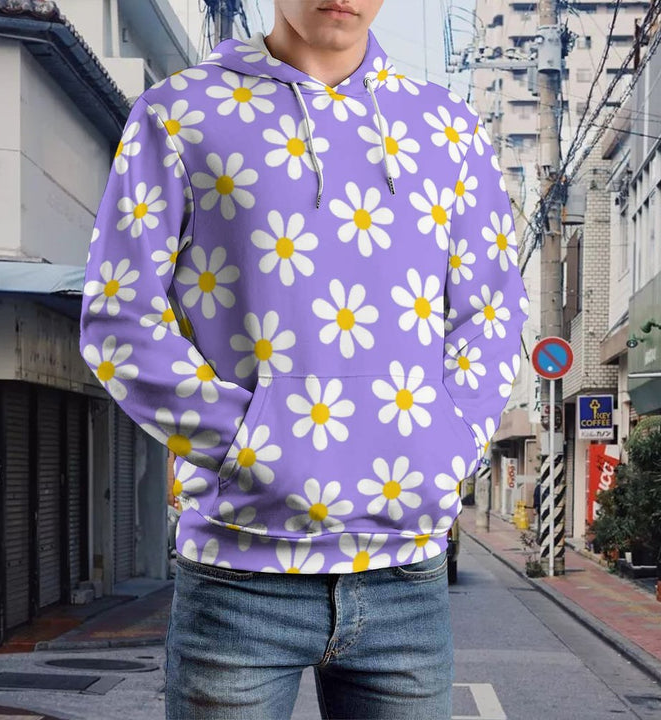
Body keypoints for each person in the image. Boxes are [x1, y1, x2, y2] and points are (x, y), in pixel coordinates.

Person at [79, 1, 529, 717]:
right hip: (238, 575)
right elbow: (119, 315)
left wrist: (446, 446)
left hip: (406, 578)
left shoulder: (449, 127)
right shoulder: (179, 113)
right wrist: (249, 446)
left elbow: (493, 311)